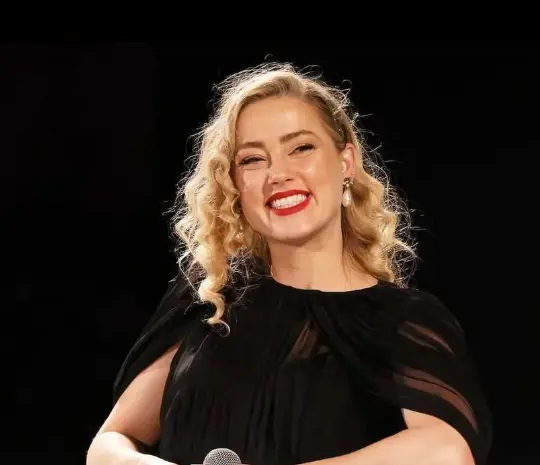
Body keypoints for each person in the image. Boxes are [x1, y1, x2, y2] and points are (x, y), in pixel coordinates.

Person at [86, 62, 493, 465]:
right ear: (234, 185)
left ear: (346, 162)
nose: (278, 174)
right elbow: (111, 442)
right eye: (252, 160)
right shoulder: (212, 300)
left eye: (301, 148)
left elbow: (446, 450)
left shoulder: (403, 321)